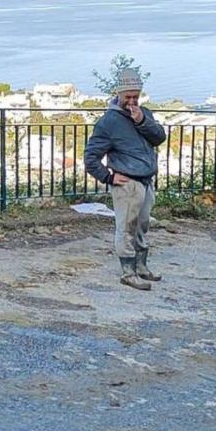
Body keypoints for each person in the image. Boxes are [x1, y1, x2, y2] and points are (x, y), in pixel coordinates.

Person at [83, 67, 167, 290]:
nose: (131, 101)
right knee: (126, 227)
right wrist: (108, 177)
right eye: (128, 97)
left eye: (135, 97)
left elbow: (159, 138)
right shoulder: (108, 122)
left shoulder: (144, 113)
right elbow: (90, 157)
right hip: (126, 181)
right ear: (118, 94)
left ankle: (141, 266)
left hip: (146, 179)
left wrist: (142, 121)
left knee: (142, 225)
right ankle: (127, 271)